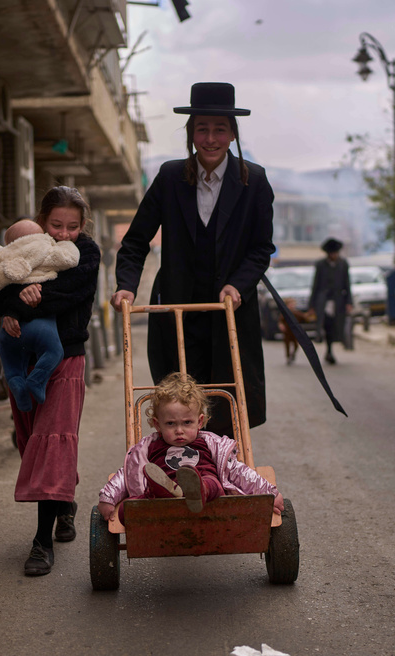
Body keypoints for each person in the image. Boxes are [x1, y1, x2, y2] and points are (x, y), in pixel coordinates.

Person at [111, 82, 275, 438]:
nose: (211, 138)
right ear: (191, 133)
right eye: (202, 128)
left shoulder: (254, 181)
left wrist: (238, 284)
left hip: (228, 309)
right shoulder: (171, 177)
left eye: (219, 129)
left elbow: (261, 248)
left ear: (232, 133)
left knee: (229, 400)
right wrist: (126, 287)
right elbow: (136, 240)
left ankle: (225, 477)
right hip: (176, 308)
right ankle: (182, 474)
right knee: (178, 406)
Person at [0, 187, 100, 577]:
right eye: (56, 224)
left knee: (52, 441)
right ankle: (63, 504)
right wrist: (12, 305)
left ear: (83, 225)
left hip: (66, 358)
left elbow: (69, 295)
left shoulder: (87, 254)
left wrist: (25, 297)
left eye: (72, 226)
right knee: (30, 440)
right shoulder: (26, 244)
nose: (64, 233)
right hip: (23, 355)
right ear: (42, 220)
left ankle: (41, 542)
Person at [97, 373, 283, 522]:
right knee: (126, 509)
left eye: (187, 422)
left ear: (199, 421)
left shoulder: (210, 443)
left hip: (205, 486)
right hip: (161, 498)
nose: (179, 431)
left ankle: (199, 489)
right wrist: (108, 498)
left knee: (213, 483)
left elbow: (238, 471)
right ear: (157, 424)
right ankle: (164, 491)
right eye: (170, 424)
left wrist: (270, 493)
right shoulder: (149, 446)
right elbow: (127, 473)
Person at [0, 219, 80, 411]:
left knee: (12, 365)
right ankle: (36, 380)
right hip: (41, 327)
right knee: (54, 352)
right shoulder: (46, 254)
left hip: (7, 331)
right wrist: (65, 244)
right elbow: (69, 259)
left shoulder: (2, 261)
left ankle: (17, 383)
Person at [308, 238, 353, 365]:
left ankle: (331, 348)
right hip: (324, 301)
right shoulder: (320, 265)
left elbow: (347, 284)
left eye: (335, 253)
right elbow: (315, 285)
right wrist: (311, 305)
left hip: (339, 300)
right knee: (326, 324)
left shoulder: (343, 264)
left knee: (336, 325)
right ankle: (329, 350)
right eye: (332, 253)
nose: (334, 255)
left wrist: (349, 302)